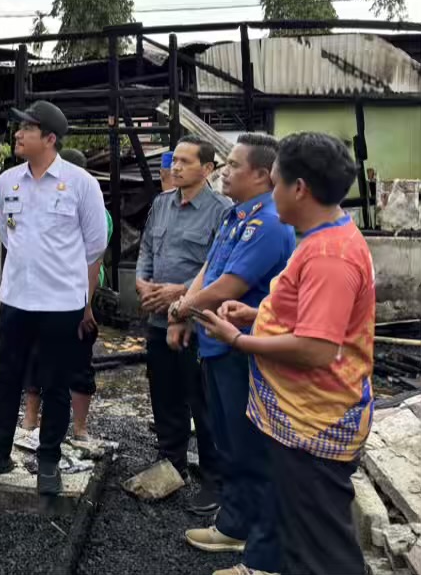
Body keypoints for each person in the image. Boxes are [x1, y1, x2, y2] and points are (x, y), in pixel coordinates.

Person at [198, 133, 373, 575]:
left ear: (300, 189)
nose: (270, 194)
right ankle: (262, 564)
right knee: (293, 522)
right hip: (297, 418)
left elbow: (316, 348)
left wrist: (237, 340)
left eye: (275, 183)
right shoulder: (318, 237)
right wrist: (258, 313)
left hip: (316, 420)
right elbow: (311, 318)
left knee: (323, 549)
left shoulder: (330, 257)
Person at [0, 101, 107, 496]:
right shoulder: (9, 181)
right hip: (17, 300)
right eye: (19, 127)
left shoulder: (80, 184)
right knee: (7, 378)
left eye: (27, 128)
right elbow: (8, 236)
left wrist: (80, 296)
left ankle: (48, 460)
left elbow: (95, 245)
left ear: (50, 138)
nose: (18, 134)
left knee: (56, 383)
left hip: (61, 304)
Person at [170, 135, 295, 575]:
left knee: (249, 447)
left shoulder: (270, 223)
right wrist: (185, 308)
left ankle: (261, 551)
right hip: (217, 343)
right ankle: (235, 524)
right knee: (228, 442)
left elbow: (230, 287)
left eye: (233, 165)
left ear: (262, 174)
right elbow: (210, 269)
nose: (224, 170)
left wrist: (182, 307)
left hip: (246, 351)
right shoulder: (236, 217)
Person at [135, 135, 227, 514]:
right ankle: (171, 463)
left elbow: (220, 268)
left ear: (207, 169)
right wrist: (142, 283)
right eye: (175, 161)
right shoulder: (161, 204)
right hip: (159, 319)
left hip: (196, 323)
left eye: (186, 162)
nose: (176, 167)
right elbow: (145, 250)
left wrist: (180, 294)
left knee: (202, 401)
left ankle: (214, 481)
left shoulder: (222, 211)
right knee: (164, 394)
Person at [20, 146, 110, 445]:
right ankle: (31, 419)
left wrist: (84, 307)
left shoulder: (93, 205)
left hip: (76, 295)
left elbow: (92, 260)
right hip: (40, 297)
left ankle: (79, 428)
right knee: (36, 357)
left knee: (77, 360)